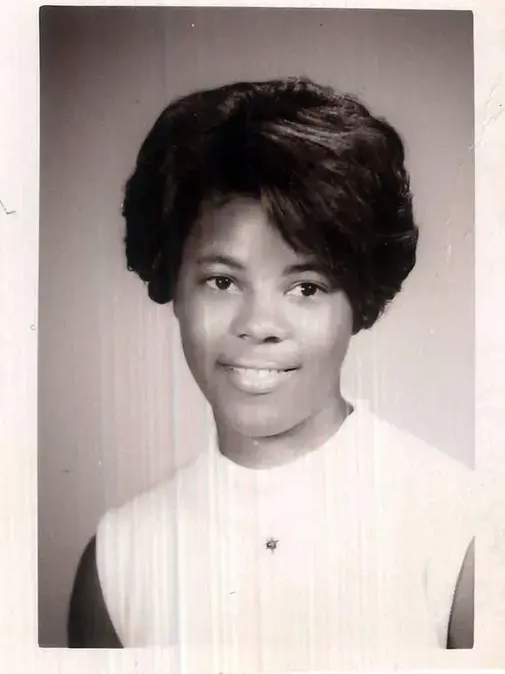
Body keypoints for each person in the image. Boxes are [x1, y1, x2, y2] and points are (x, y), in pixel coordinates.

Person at [67, 77, 474, 665]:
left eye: (305, 287)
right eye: (222, 281)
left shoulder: (464, 531)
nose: (259, 323)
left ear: (357, 302)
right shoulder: (118, 560)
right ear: (173, 288)